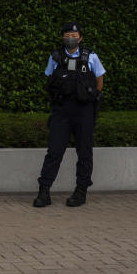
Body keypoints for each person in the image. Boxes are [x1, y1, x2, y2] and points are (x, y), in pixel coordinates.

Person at [33, 22, 105, 208]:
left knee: (84, 152)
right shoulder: (56, 56)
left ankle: (81, 191)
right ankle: (44, 191)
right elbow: (49, 79)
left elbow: (99, 82)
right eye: (67, 35)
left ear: (80, 37)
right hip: (62, 110)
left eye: (74, 35)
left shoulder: (91, 56)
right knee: (54, 151)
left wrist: (89, 100)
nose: (70, 38)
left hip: (84, 111)